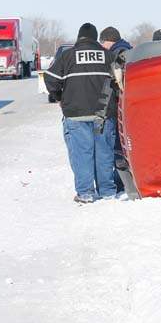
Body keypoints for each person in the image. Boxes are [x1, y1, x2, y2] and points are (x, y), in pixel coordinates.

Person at [44, 23, 119, 203]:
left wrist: (59, 98)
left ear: (79, 38)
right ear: (95, 39)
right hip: (103, 113)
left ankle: (85, 193)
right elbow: (119, 82)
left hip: (76, 113)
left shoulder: (67, 56)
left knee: (82, 153)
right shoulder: (109, 56)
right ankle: (108, 191)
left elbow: (50, 79)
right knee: (104, 152)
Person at [98, 27, 133, 194]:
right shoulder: (127, 49)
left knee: (119, 147)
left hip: (120, 104)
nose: (102, 47)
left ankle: (121, 182)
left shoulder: (118, 54)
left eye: (102, 43)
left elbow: (114, 81)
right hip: (127, 103)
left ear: (108, 41)